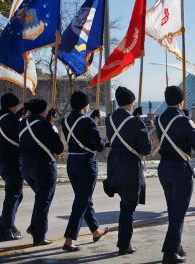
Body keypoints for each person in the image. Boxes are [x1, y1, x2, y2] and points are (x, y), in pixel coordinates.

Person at [155, 86, 195, 264]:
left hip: (163, 168)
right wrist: (190, 123)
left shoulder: (159, 119)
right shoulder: (184, 120)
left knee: (173, 211)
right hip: (179, 168)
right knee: (178, 213)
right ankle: (169, 252)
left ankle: (177, 245)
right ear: (181, 100)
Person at [105, 86, 151, 255]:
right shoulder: (135, 122)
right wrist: (139, 122)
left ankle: (124, 241)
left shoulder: (109, 119)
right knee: (128, 207)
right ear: (131, 102)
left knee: (125, 204)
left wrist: (134, 119)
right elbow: (145, 149)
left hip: (115, 165)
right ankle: (124, 244)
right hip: (130, 166)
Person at [61, 91, 108, 252]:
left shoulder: (65, 121)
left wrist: (92, 121)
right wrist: (94, 122)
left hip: (72, 162)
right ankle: (69, 239)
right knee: (81, 201)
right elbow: (99, 146)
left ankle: (95, 231)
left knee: (83, 198)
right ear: (85, 105)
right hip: (86, 162)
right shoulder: (87, 121)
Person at [19, 99, 64, 246]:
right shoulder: (45, 125)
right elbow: (59, 148)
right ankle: (39, 236)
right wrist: (52, 125)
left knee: (40, 199)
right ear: (43, 111)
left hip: (27, 168)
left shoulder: (22, 123)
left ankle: (34, 227)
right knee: (43, 202)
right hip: (44, 168)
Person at [0, 93, 26, 242]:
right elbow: (19, 134)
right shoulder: (14, 120)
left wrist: (18, 115)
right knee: (13, 195)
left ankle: (8, 223)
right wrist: (20, 118)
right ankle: (5, 230)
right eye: (16, 105)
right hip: (11, 161)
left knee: (16, 194)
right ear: (12, 105)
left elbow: (8, 123)